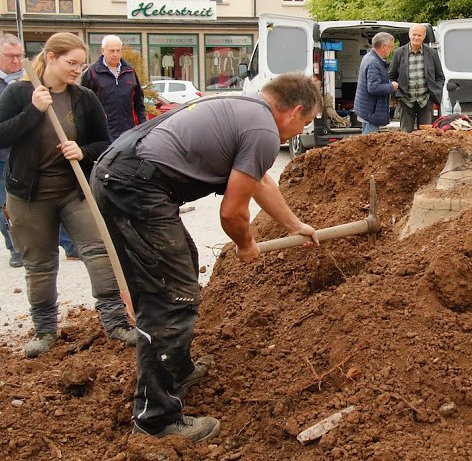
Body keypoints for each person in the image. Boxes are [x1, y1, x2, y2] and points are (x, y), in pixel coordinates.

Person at [91, 72, 322, 442]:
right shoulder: (263, 130)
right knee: (171, 298)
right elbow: (232, 213)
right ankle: (157, 420)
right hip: (134, 185)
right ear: (294, 111)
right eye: (305, 123)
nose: (300, 131)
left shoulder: (245, 108)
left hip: (125, 174)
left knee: (180, 269)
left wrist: (295, 225)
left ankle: (177, 370)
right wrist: (246, 246)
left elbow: (260, 181)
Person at [0, 32, 136, 358]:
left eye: (81, 64)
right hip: (29, 196)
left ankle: (115, 322)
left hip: (74, 191)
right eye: (70, 63)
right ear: (50, 58)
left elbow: (105, 143)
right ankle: (46, 330)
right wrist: (33, 110)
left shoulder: (84, 98)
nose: (77, 69)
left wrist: (83, 151)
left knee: (98, 249)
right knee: (40, 264)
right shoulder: (21, 93)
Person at [81, 34, 147, 142]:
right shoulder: (91, 73)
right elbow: (83, 106)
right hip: (102, 134)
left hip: (128, 133)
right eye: (112, 51)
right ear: (103, 51)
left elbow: (139, 103)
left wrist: (143, 128)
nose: (115, 54)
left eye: (118, 51)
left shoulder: (130, 72)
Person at [388, 24, 445, 133]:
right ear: (409, 35)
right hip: (406, 101)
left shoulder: (432, 53)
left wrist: (435, 93)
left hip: (425, 101)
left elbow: (440, 77)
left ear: (424, 37)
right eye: (414, 35)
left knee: (426, 135)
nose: (416, 38)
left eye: (419, 35)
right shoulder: (399, 53)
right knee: (406, 135)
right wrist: (397, 93)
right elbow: (391, 76)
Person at [0, 34, 24, 267]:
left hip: (25, 153)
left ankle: (67, 245)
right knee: (5, 204)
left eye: (20, 56)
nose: (16, 61)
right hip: (1, 154)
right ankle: (15, 247)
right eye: (11, 56)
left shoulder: (28, 81)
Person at [355, 32, 398, 135]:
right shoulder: (374, 62)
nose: (391, 50)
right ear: (383, 47)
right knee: (369, 144)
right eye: (391, 47)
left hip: (367, 110)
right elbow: (373, 88)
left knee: (365, 142)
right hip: (371, 112)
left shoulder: (369, 57)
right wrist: (392, 87)